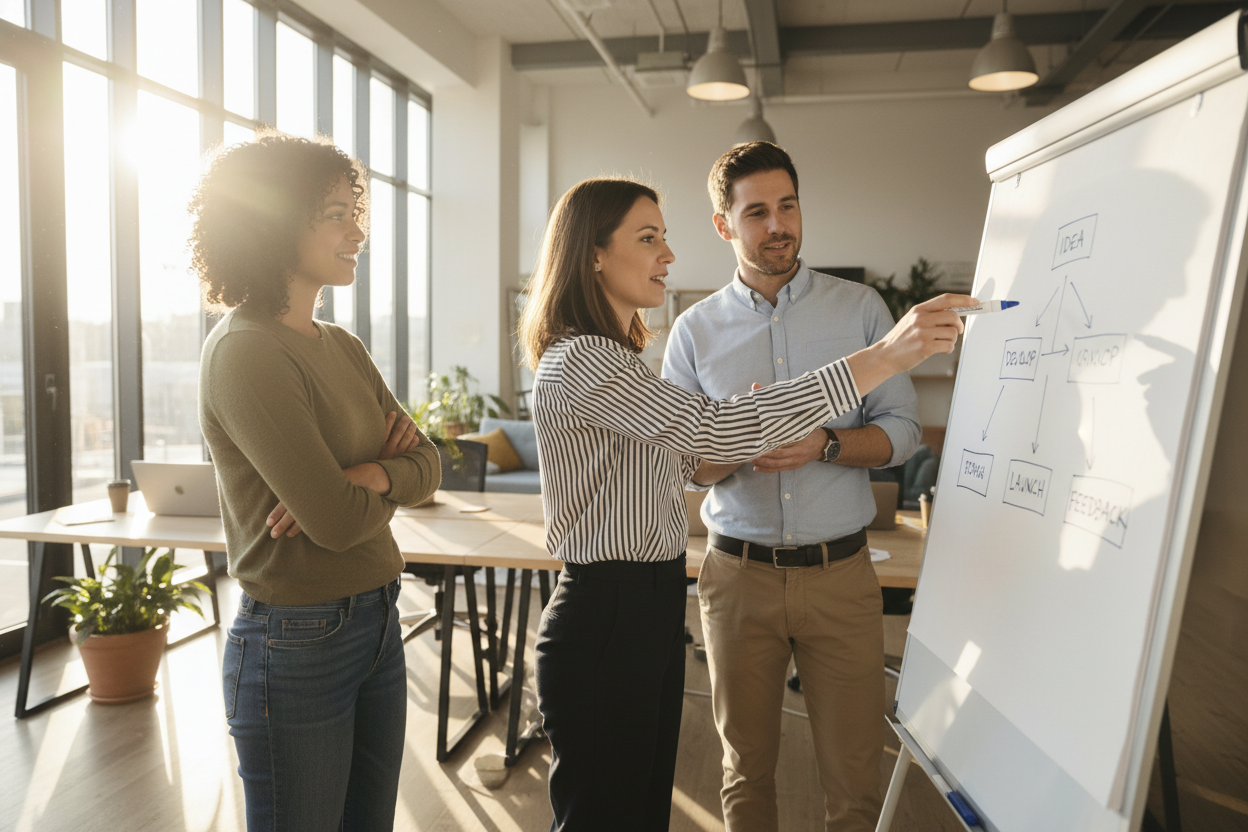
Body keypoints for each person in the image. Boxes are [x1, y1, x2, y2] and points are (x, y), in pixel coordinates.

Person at [516, 175, 972, 832]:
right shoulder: (585, 360)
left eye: (664, 237)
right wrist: (880, 358)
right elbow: (710, 431)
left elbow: (692, 454)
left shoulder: (619, 358)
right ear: (592, 253)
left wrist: (757, 424)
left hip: (645, 604)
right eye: (647, 239)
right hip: (608, 610)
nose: (668, 255)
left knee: (637, 815)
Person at [661, 140, 917, 832]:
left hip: (842, 578)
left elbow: (902, 433)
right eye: (757, 213)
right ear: (723, 225)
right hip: (737, 579)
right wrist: (739, 439)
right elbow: (683, 465)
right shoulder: (693, 332)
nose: (778, 226)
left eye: (788, 206)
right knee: (745, 772)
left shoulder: (861, 310)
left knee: (855, 781)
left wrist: (825, 442)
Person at [191, 131, 441, 832]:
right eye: (336, 215)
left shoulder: (344, 347)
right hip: (296, 641)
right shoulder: (246, 352)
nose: (357, 231)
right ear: (272, 222)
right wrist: (371, 485)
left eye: (354, 213)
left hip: (377, 619)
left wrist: (366, 475)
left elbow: (429, 465)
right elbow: (333, 522)